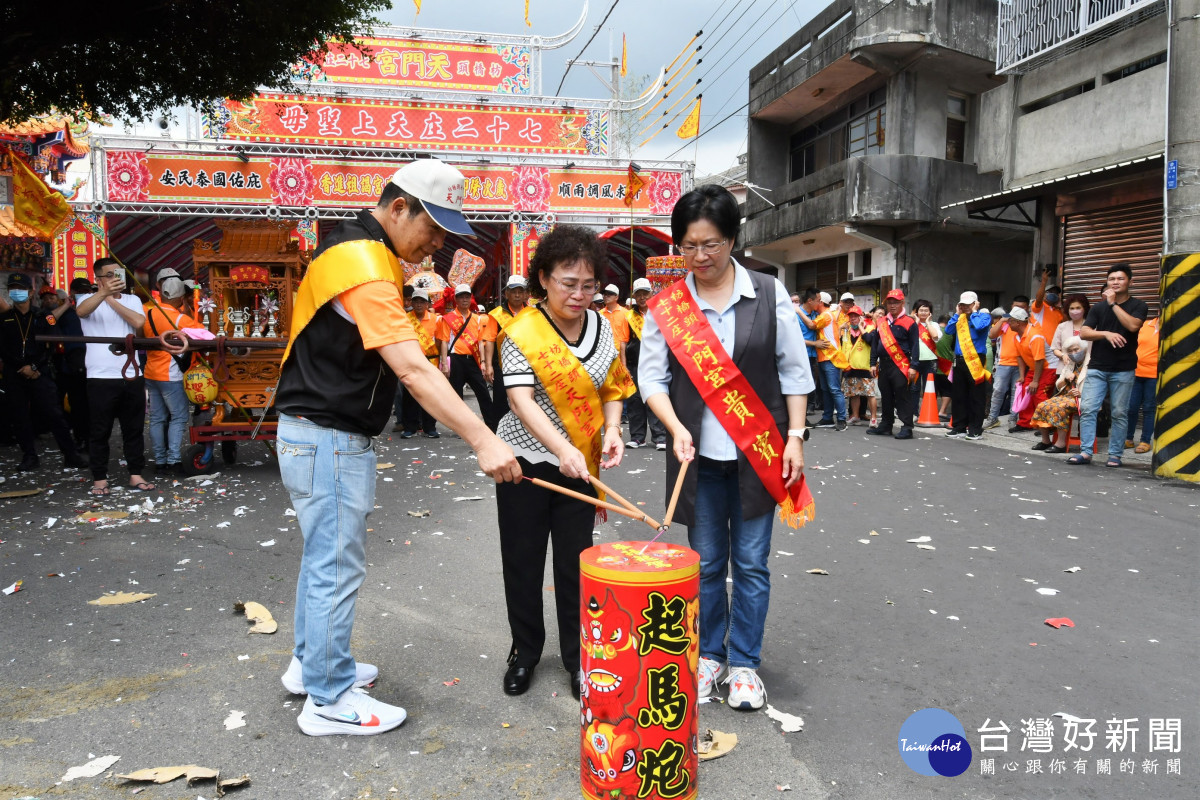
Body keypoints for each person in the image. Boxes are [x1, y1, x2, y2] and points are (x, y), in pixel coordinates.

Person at [274, 158, 521, 736]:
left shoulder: (365, 253)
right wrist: (483, 438)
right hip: (327, 437)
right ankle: (330, 698)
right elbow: (412, 368)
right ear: (398, 207)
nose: (437, 244)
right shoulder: (362, 262)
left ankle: (312, 668)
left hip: (319, 434)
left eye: (445, 234)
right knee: (335, 564)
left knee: (324, 560)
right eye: (432, 228)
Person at [639, 184, 814, 710]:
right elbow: (652, 380)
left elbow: (793, 370)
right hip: (697, 460)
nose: (700, 257)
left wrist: (797, 438)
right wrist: (674, 426)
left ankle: (744, 664)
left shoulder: (768, 291)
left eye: (711, 244)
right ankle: (709, 654)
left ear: (733, 238)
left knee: (753, 564)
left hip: (760, 456)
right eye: (689, 246)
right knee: (707, 563)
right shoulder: (667, 307)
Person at [494, 225, 634, 700]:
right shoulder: (521, 332)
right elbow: (521, 401)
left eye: (588, 285)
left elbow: (613, 388)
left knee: (577, 563)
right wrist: (562, 449)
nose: (579, 294)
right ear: (543, 279)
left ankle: (579, 657)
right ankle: (525, 651)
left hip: (582, 464)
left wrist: (612, 429)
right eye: (567, 283)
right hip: (526, 467)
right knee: (523, 560)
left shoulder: (603, 326)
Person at [76, 257, 154, 495]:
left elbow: (139, 322)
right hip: (100, 376)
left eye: (118, 274)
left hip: (131, 373)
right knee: (100, 429)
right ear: (98, 279)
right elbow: (81, 312)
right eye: (109, 275)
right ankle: (99, 478)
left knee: (133, 428)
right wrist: (102, 295)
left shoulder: (131, 300)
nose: (115, 279)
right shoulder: (86, 299)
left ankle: (135, 474)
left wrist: (111, 298)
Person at [0, 274, 87, 471]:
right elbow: (3, 348)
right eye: (12, 288)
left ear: (30, 293)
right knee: (20, 416)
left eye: (20, 288)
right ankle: (29, 456)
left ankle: (71, 455)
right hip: (15, 374)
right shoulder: (4, 318)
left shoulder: (43, 315)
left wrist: (35, 367)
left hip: (40, 372)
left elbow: (53, 344)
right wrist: (19, 367)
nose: (17, 292)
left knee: (55, 414)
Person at [1069, 263, 1148, 467]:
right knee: (1087, 409)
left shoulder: (1139, 305)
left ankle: (1115, 455)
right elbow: (1084, 333)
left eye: (1120, 279)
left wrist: (1113, 304)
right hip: (1097, 367)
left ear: (1130, 282)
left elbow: (1132, 325)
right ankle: (1086, 452)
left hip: (1123, 368)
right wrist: (1105, 333)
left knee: (1119, 413)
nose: (1115, 282)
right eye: (1112, 279)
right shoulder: (1098, 308)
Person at [142, 277, 203, 474]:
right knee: (178, 417)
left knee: (157, 418)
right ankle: (174, 460)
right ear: (180, 298)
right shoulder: (180, 319)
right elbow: (205, 334)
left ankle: (160, 461)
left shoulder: (148, 313)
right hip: (171, 374)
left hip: (151, 372)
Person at [437, 284, 499, 430]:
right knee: (457, 397)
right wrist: (444, 363)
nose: (464, 299)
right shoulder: (448, 318)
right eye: (461, 297)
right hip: (456, 360)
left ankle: (491, 426)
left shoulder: (477, 319)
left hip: (473, 360)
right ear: (456, 299)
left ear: (470, 298)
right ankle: (461, 428)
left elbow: (480, 342)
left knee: (483, 392)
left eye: (467, 296)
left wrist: (483, 362)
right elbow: (444, 342)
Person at [865, 289, 919, 439]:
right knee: (886, 395)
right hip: (884, 364)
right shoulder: (881, 322)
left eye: (896, 302)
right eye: (890, 302)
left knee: (902, 396)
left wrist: (914, 366)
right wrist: (872, 363)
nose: (892, 305)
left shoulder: (909, 322)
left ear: (902, 303)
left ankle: (907, 426)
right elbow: (875, 344)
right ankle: (886, 425)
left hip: (901, 364)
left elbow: (915, 345)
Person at [624, 277, 668, 449]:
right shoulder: (628, 316)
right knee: (635, 400)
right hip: (635, 363)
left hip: (656, 361)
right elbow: (623, 341)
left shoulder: (660, 312)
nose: (642, 297)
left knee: (657, 397)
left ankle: (660, 437)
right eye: (638, 294)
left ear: (651, 293)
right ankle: (637, 437)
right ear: (634, 296)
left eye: (645, 293)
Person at [943, 292, 992, 440]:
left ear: (975, 303)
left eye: (969, 304)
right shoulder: (960, 318)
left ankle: (975, 429)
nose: (965, 307)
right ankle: (959, 427)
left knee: (976, 396)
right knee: (959, 395)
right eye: (963, 304)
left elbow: (978, 327)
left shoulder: (984, 316)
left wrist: (975, 312)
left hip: (975, 359)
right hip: (959, 360)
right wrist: (957, 314)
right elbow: (948, 331)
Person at [1031, 336, 1089, 453]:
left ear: (1083, 349)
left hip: (1082, 398)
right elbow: (1058, 385)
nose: (1073, 353)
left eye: (1076, 350)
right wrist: (1066, 379)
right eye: (1070, 351)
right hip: (1065, 396)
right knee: (1042, 405)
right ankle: (1045, 441)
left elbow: (1096, 387)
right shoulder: (1070, 363)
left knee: (1060, 407)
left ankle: (1061, 444)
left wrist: (1081, 393)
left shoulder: (1091, 365)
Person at [485, 275, 529, 424]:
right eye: (513, 291)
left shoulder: (532, 314)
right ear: (506, 293)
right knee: (500, 399)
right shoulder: (496, 315)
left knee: (526, 398)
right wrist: (489, 365)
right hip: (501, 364)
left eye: (520, 291)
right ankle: (499, 432)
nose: (517, 295)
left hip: (527, 362)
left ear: (525, 294)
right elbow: (490, 340)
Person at [397, 288, 441, 438]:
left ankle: (430, 427)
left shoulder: (436, 319)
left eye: (422, 301)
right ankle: (410, 427)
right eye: (416, 301)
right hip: (411, 361)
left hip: (431, 361)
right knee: (410, 395)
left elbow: (441, 341)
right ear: (412, 302)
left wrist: (443, 362)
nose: (419, 304)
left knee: (430, 395)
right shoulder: (405, 318)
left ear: (427, 304)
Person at [1008, 307, 1055, 432]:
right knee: (1024, 391)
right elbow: (1020, 356)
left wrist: (1035, 381)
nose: (1008, 323)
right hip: (1035, 368)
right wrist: (1023, 376)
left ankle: (1047, 425)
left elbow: (1039, 360)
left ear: (1018, 322)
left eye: (1010, 320)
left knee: (1039, 394)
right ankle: (1025, 423)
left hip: (1048, 367)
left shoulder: (1035, 336)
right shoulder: (1016, 336)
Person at [983, 306, 1023, 430]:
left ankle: (1013, 418)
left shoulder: (1022, 325)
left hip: (1020, 364)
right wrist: (1002, 320)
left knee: (1015, 393)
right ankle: (992, 418)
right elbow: (991, 335)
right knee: (998, 391)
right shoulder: (1006, 324)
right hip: (1003, 363)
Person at [1125, 315, 1159, 455]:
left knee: (1149, 408)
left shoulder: (1171, 328)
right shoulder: (1145, 324)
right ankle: (1128, 438)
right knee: (1131, 407)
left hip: (1154, 375)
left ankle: (1145, 441)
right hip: (1136, 372)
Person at [840, 305, 875, 425]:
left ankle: (873, 418)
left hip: (865, 366)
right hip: (850, 367)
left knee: (870, 394)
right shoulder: (846, 330)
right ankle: (855, 416)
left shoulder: (870, 327)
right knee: (853, 394)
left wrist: (861, 327)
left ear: (861, 317)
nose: (853, 319)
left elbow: (871, 341)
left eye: (856, 316)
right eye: (851, 316)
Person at [911, 299, 941, 408]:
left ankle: (928, 411)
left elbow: (935, 337)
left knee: (930, 387)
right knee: (914, 387)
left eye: (926, 310)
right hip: (915, 361)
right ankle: (913, 412)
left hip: (930, 361)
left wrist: (927, 323)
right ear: (916, 312)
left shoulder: (934, 325)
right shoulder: (912, 324)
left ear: (930, 312)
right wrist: (916, 323)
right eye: (921, 310)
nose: (923, 312)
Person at [600, 283, 630, 371]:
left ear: (616, 297)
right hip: (603, 356)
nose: (605, 296)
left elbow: (624, 340)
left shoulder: (625, 313)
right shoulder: (599, 315)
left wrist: (624, 364)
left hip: (620, 356)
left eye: (609, 294)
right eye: (605, 294)